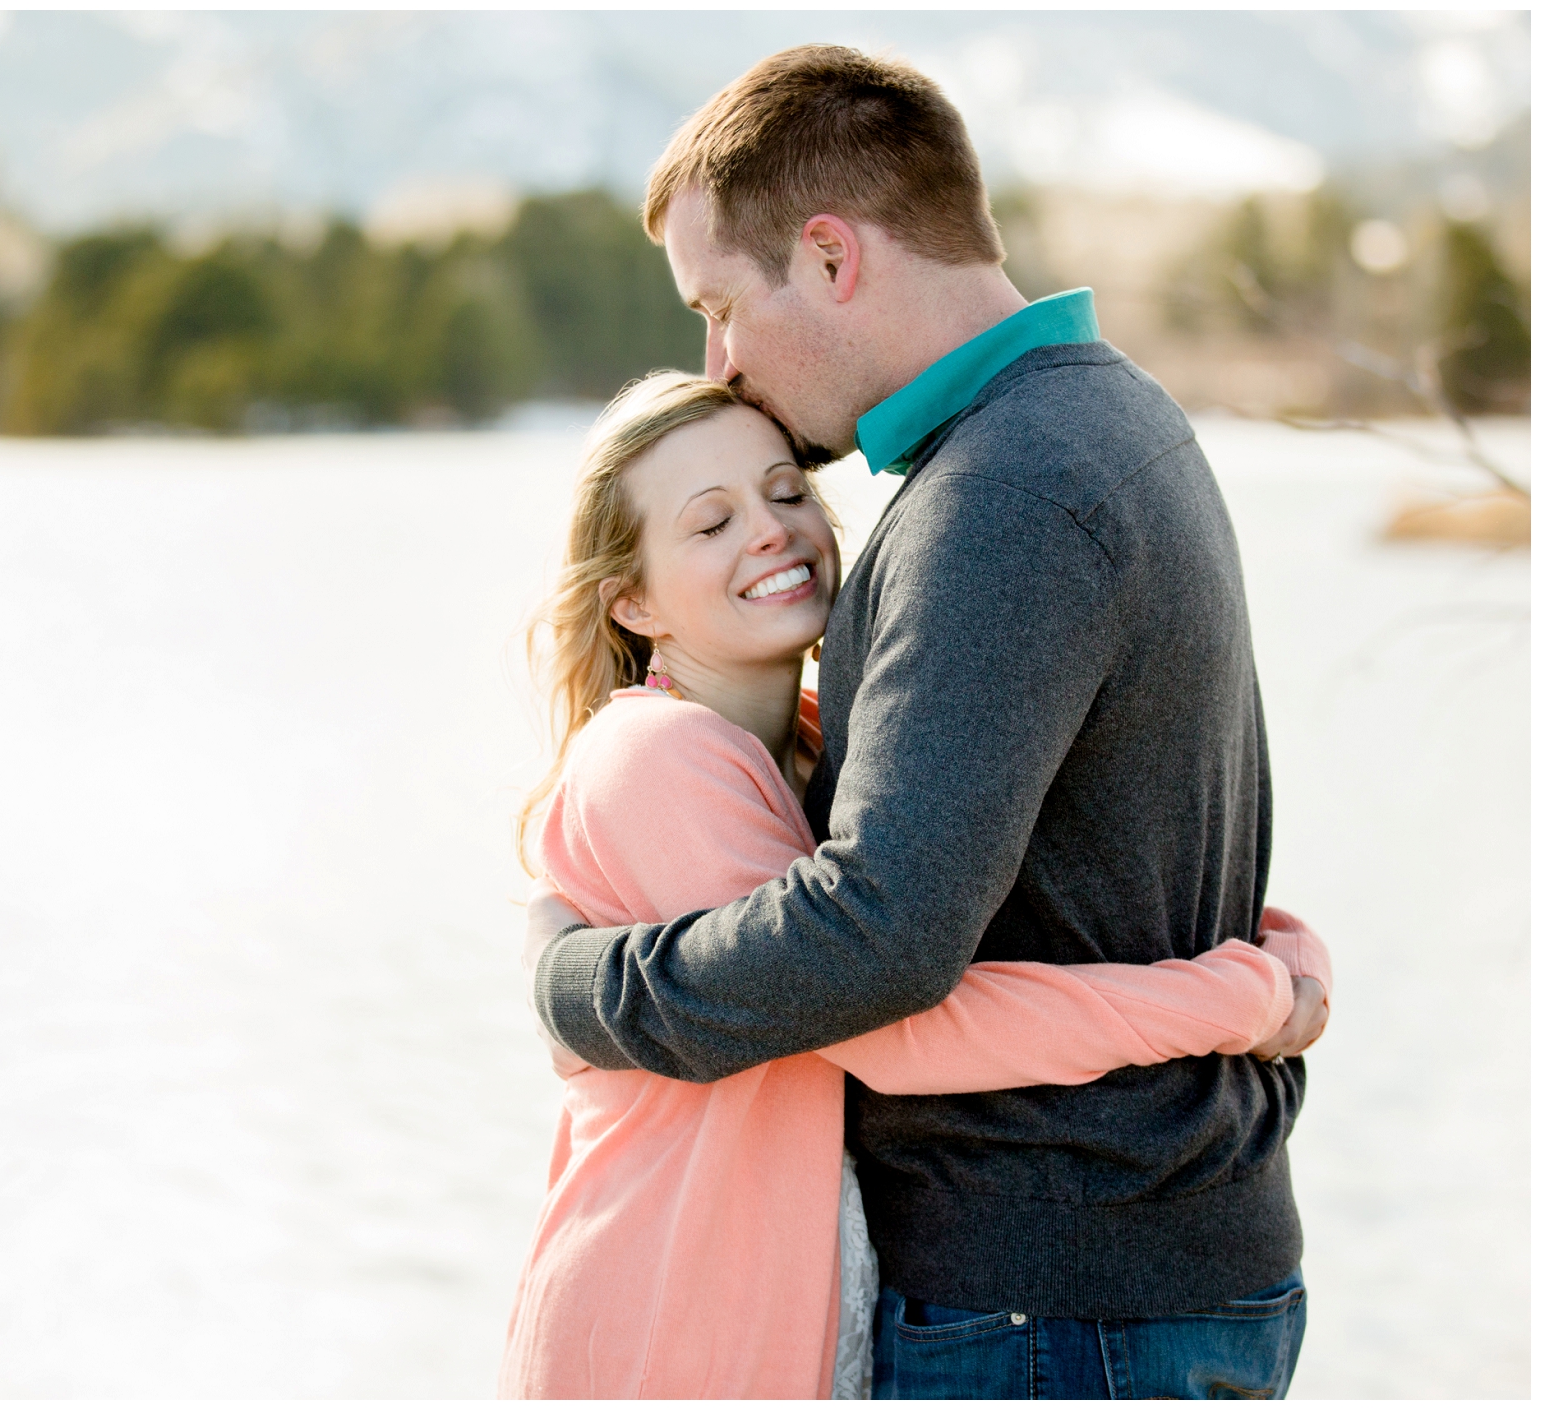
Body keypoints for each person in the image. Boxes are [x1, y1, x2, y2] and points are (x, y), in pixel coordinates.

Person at [523, 47, 1329, 1399]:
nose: (719, 360)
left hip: (1056, 1307)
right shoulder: (1102, 418)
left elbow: (879, 937)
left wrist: (587, 988)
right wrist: (1252, 970)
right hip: (1132, 1273)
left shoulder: (999, 498)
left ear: (832, 259)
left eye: (723, 304)